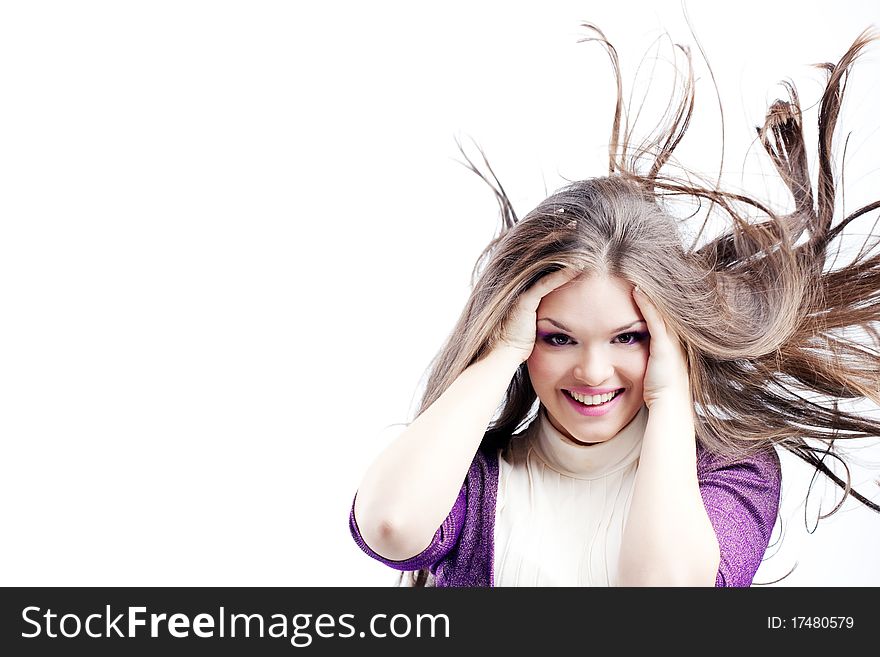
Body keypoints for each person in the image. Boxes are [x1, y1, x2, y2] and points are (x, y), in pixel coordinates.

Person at [348, 24, 880, 587]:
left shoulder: (731, 471)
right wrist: (499, 350)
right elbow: (389, 524)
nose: (593, 372)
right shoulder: (475, 478)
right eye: (557, 338)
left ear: (669, 338)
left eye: (628, 337)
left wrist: (673, 396)